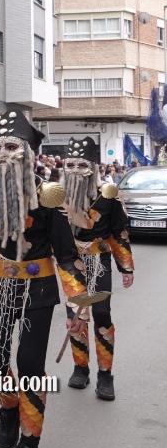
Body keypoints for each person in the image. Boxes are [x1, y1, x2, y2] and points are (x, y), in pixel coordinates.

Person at [0, 111, 88, 448]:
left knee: (30, 366)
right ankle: (9, 409)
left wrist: (77, 306)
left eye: (11, 146)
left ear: (28, 153)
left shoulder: (48, 195)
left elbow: (66, 254)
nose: (2, 154)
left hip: (37, 290)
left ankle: (30, 441)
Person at [60, 137, 135, 400]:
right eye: (70, 165)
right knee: (75, 314)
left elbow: (118, 232)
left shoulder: (108, 194)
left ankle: (105, 374)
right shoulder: (57, 197)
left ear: (93, 167)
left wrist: (126, 267)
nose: (75, 170)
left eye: (81, 165)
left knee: (101, 313)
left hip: (99, 261)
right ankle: (81, 368)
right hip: (70, 263)